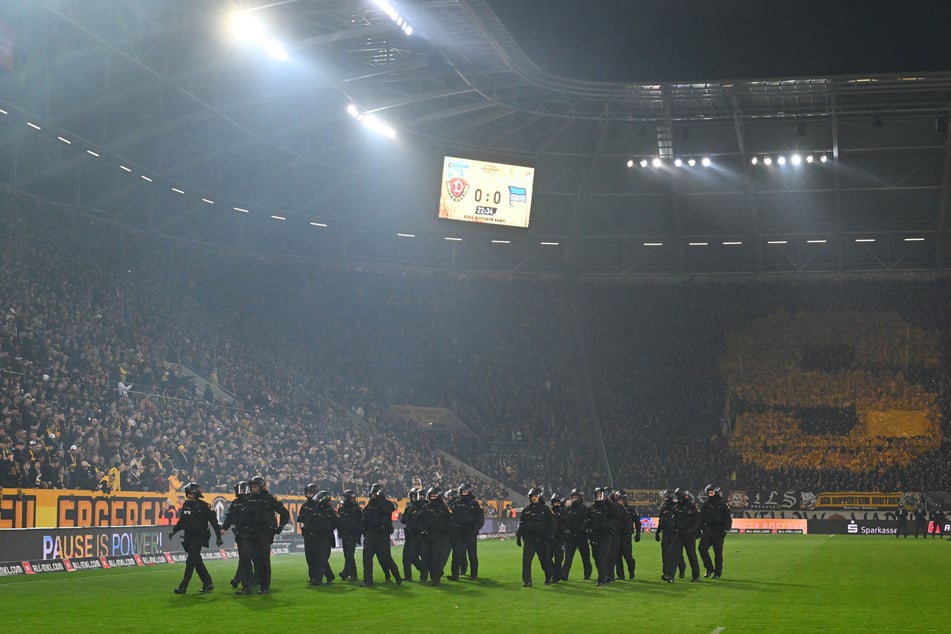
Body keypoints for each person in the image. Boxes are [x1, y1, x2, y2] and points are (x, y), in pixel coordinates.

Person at [236, 475, 289, 595]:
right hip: (249, 532)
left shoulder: (269, 498)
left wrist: (280, 527)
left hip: (264, 532)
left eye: (255, 487)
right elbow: (242, 516)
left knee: (264, 560)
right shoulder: (248, 499)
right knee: (244, 557)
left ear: (261, 487)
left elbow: (284, 513)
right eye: (251, 487)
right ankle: (247, 585)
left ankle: (265, 587)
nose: (253, 489)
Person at [170, 482, 222, 594]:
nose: (189, 496)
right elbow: (182, 521)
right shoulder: (186, 505)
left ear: (196, 494)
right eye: (188, 493)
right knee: (196, 560)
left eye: (191, 494)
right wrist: (174, 531)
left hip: (199, 537)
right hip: (188, 536)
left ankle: (183, 586)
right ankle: (208, 583)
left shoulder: (205, 506)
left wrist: (218, 536)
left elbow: (214, 523)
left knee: (190, 561)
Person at [360, 483, 402, 586]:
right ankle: (368, 580)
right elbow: (365, 517)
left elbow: (388, 511)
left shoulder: (387, 504)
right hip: (370, 534)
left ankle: (397, 576)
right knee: (367, 558)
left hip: (382, 535)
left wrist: (379, 500)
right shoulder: (370, 504)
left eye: (374, 493)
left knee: (386, 558)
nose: (372, 496)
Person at [297, 484, 339, 585]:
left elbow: (335, 522)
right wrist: (303, 528)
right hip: (310, 534)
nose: (309, 495)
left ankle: (317, 578)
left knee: (321, 557)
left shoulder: (324, 508)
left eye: (311, 492)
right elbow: (300, 519)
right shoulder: (305, 506)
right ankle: (321, 576)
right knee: (311, 557)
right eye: (308, 492)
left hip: (323, 536)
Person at [517, 486, 554, 587]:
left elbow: (551, 524)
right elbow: (522, 524)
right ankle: (527, 581)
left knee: (544, 560)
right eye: (532, 496)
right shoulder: (526, 510)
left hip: (541, 540)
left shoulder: (546, 509)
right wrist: (519, 537)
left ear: (539, 497)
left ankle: (548, 576)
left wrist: (550, 538)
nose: (534, 498)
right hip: (529, 540)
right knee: (526, 561)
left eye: (535, 496)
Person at [448, 483, 484, 580]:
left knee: (472, 554)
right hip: (459, 531)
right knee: (456, 554)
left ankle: (474, 575)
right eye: (462, 491)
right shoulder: (456, 503)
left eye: (465, 491)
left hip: (470, 531)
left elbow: (480, 518)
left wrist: (476, 528)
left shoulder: (474, 504)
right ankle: (455, 575)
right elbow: (451, 517)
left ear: (470, 492)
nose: (463, 493)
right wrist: (454, 527)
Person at [418, 485, 452, 585]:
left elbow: (448, 521)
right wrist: (422, 529)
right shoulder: (426, 507)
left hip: (439, 536)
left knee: (436, 558)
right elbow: (419, 519)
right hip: (427, 535)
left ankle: (435, 579)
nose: (432, 498)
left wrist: (446, 533)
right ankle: (425, 577)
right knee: (426, 557)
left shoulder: (443, 508)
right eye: (431, 496)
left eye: (434, 496)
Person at [665, 488, 701, 583]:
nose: (676, 497)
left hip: (689, 535)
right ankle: (670, 576)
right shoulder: (676, 507)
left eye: (678, 495)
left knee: (691, 555)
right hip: (678, 534)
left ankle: (696, 576)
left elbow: (697, 521)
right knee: (674, 556)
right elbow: (672, 520)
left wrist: (690, 530)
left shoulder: (692, 506)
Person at [584, 486, 617, 586]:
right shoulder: (591, 508)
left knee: (603, 557)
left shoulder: (610, 507)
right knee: (596, 557)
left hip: (605, 536)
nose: (598, 497)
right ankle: (604, 574)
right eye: (597, 495)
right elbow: (586, 521)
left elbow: (616, 516)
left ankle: (602, 578)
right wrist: (587, 527)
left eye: (600, 495)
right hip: (594, 535)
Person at [221, 480, 250, 590]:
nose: (240, 491)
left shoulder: (251, 501)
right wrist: (224, 528)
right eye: (239, 489)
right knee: (243, 557)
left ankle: (240, 580)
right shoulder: (235, 502)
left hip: (250, 534)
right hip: (239, 533)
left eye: (242, 489)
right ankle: (240, 579)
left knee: (245, 557)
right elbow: (229, 517)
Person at [699, 484, 732, 578]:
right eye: (708, 493)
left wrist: (725, 529)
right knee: (702, 549)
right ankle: (709, 568)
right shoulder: (705, 505)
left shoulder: (723, 505)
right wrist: (702, 527)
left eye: (712, 492)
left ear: (716, 492)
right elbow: (701, 518)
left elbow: (727, 518)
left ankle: (717, 573)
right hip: (708, 530)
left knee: (718, 553)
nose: (710, 494)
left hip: (719, 531)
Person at [562, 488, 592, 581]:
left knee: (585, 557)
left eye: (576, 497)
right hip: (571, 536)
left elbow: (586, 520)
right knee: (568, 557)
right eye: (573, 497)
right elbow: (564, 518)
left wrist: (581, 529)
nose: (574, 499)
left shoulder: (584, 508)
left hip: (581, 535)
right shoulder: (568, 507)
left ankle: (587, 574)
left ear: (580, 498)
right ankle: (564, 575)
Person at [656, 489, 685, 581]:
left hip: (674, 534)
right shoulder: (663, 508)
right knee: (665, 554)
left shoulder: (677, 508)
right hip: (666, 534)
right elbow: (661, 521)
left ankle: (680, 568)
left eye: (665, 497)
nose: (664, 499)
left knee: (674, 555)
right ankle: (666, 573)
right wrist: (658, 532)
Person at [401, 487, 426, 582]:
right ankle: (408, 577)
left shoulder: (424, 507)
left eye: (414, 496)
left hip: (420, 535)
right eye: (411, 496)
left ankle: (424, 573)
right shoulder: (409, 508)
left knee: (417, 557)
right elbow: (403, 520)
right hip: (409, 535)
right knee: (406, 558)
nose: (413, 498)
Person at [337, 489, 363, 581]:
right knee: (348, 554)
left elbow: (361, 523)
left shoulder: (356, 510)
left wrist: (357, 535)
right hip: (345, 534)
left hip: (352, 534)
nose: (343, 499)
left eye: (345, 497)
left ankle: (345, 572)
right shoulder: (342, 509)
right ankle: (353, 574)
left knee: (349, 554)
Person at [615, 491, 640, 580]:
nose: (620, 502)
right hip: (617, 535)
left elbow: (637, 521)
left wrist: (638, 533)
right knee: (617, 557)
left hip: (626, 535)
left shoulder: (630, 509)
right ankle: (620, 575)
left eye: (621, 500)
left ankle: (632, 573)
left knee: (627, 555)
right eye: (619, 500)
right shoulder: (614, 509)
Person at [549, 493, 570, 582]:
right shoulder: (548, 511)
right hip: (550, 538)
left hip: (560, 538)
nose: (556, 504)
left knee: (559, 558)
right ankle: (557, 573)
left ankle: (556, 577)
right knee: (547, 557)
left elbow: (566, 524)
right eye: (555, 502)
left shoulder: (564, 512)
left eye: (558, 502)